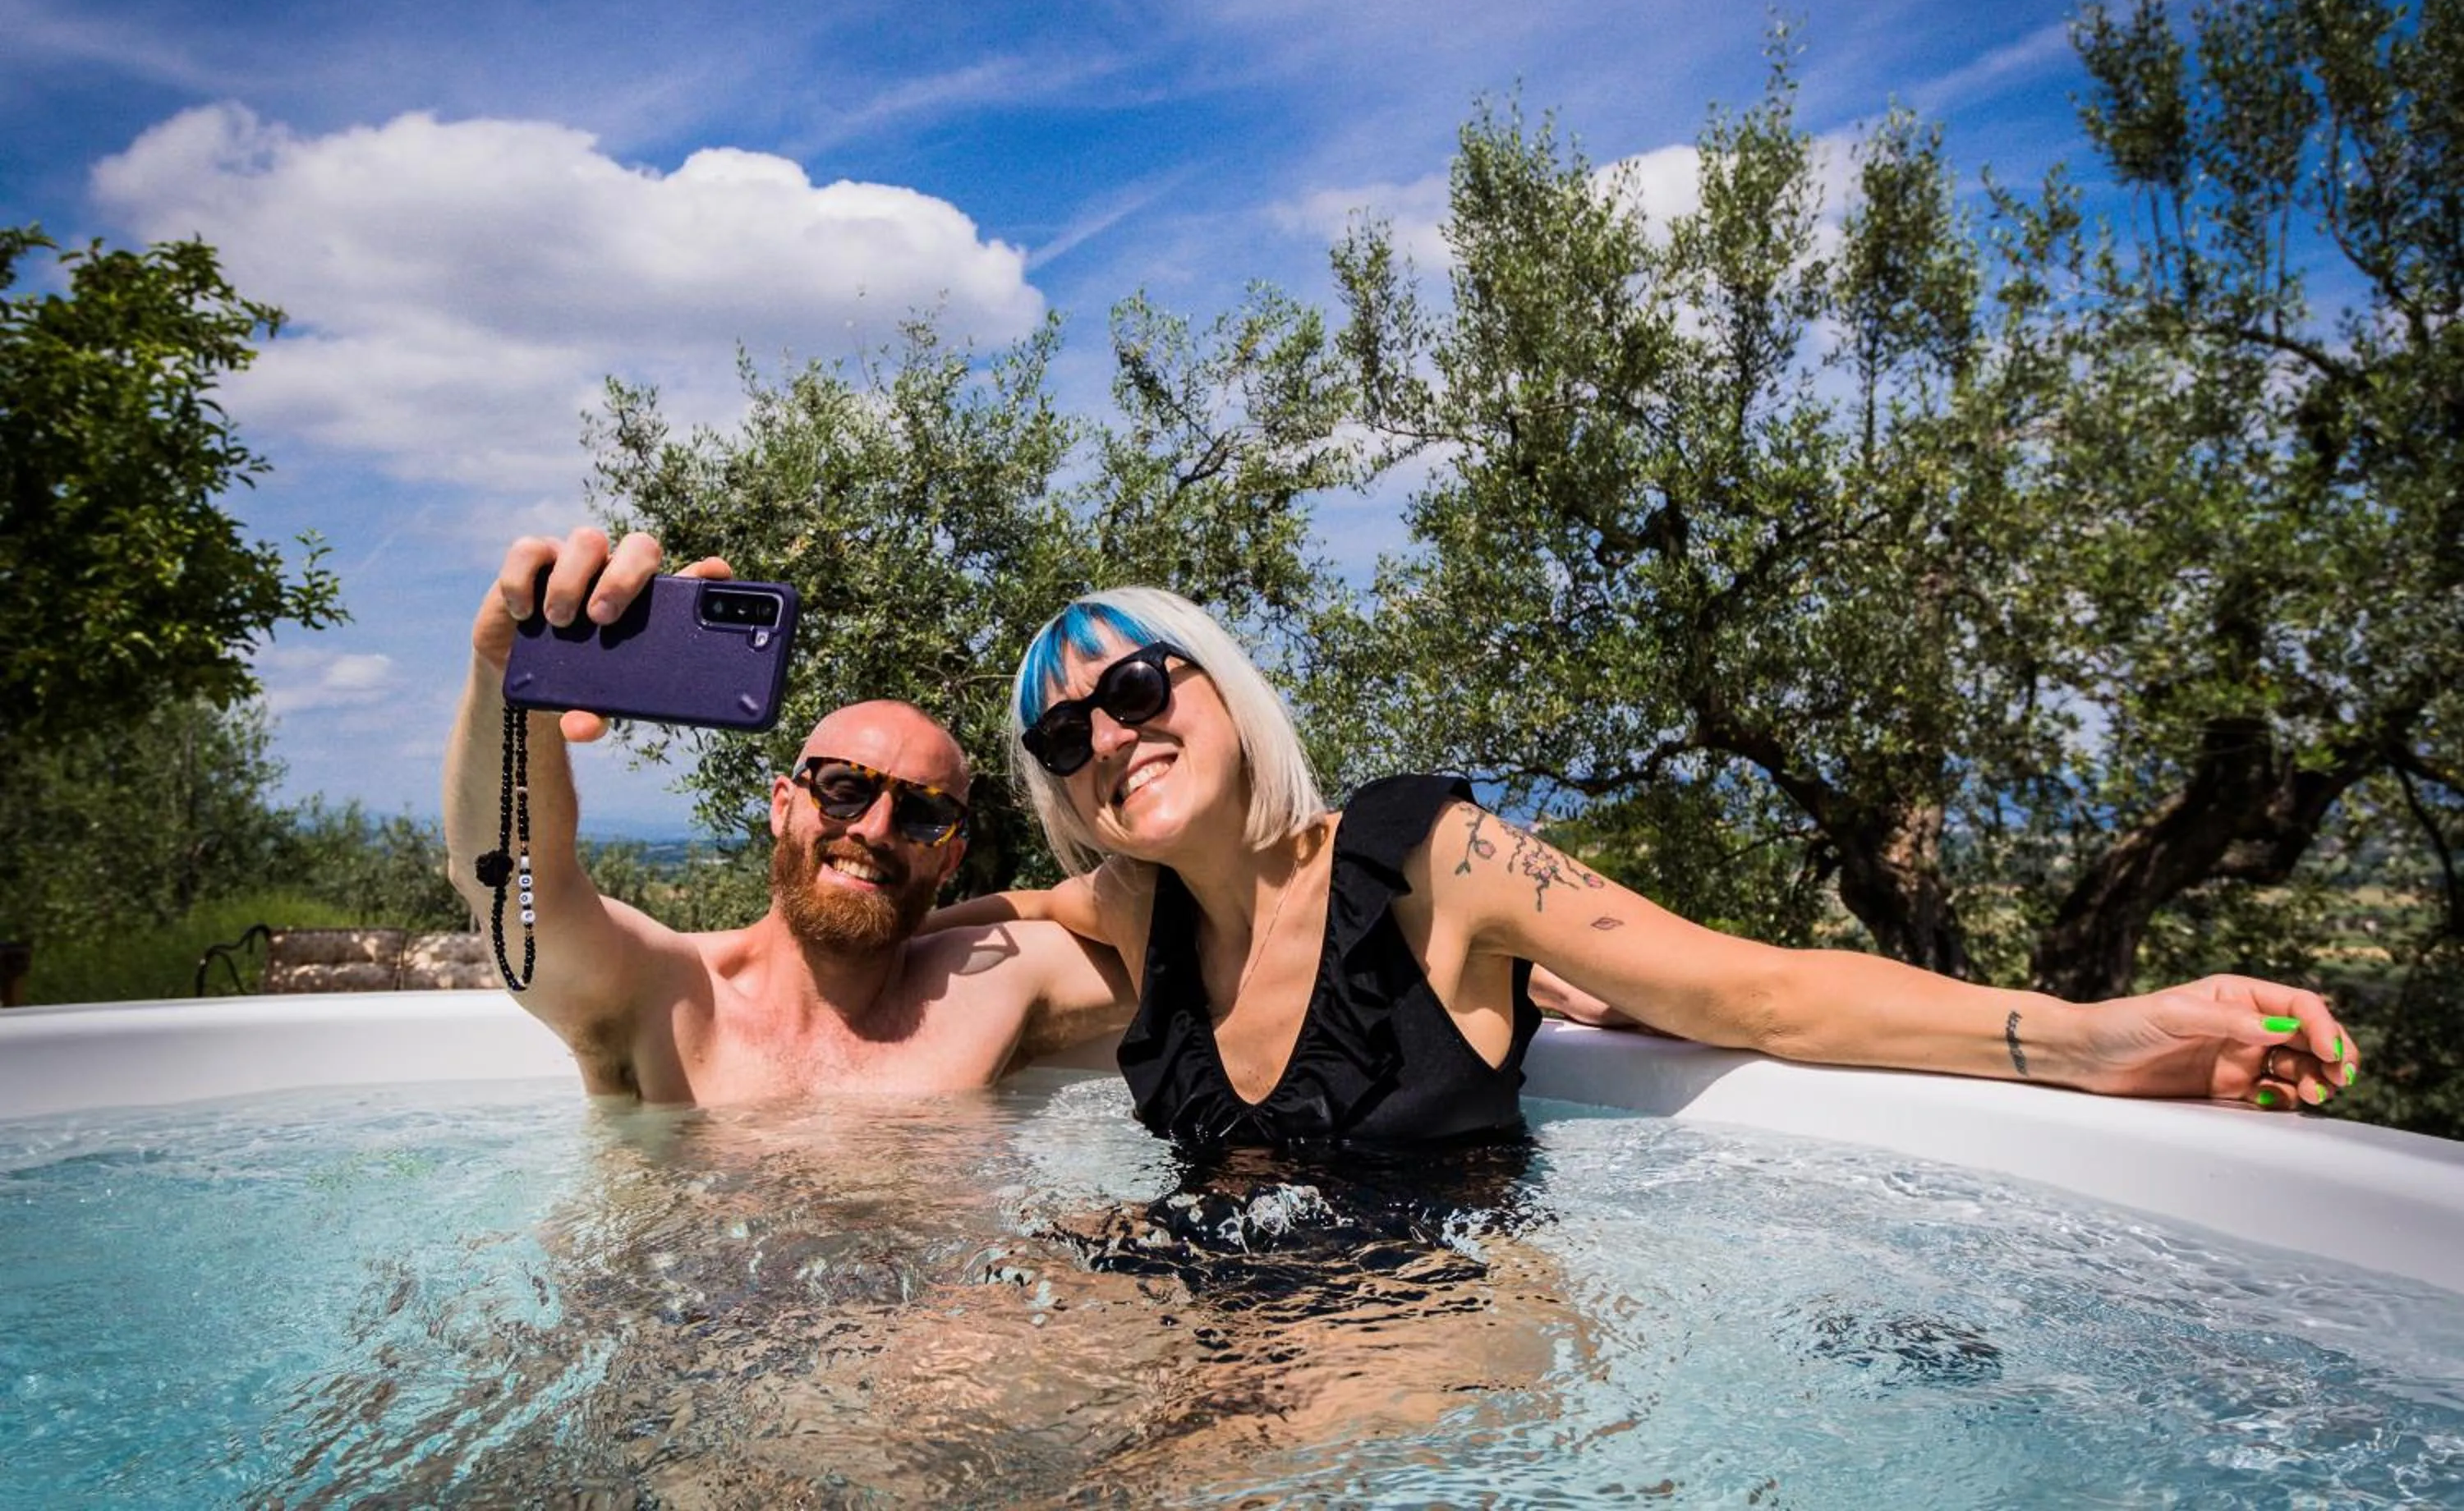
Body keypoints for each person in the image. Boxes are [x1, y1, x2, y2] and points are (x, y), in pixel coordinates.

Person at [934, 586, 2359, 1150]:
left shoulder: (1431, 859)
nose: (1110, 738)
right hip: (1213, 1323)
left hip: (1429, 1337)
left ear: (1222, 685)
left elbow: (1769, 998)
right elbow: (1007, 903)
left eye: (1136, 691)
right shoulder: (1137, 909)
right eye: (1063, 735)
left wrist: (2104, 1038)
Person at [444, 530, 1136, 1106]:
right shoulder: (666, 994)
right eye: (843, 788)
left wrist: (1045, 901)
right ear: (783, 805)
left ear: (950, 855)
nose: (873, 829)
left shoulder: (997, 990)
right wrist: (508, 677)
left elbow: (1201, 927)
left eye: (924, 813)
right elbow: (511, 888)